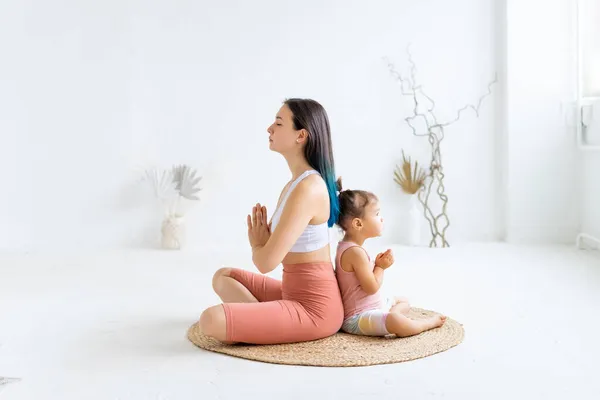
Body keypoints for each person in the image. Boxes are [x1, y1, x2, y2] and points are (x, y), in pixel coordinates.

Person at [198, 98, 344, 344]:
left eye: (278, 123)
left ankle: (266, 325)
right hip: (291, 293)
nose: (269, 129)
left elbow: (266, 262)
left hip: (315, 311)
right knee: (223, 277)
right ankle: (268, 324)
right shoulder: (297, 183)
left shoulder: (308, 188)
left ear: (301, 136)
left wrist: (257, 244)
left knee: (210, 320)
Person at [334, 180, 446, 337]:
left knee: (402, 301)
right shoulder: (354, 252)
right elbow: (371, 287)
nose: (381, 219)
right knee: (395, 320)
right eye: (377, 214)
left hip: (373, 308)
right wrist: (380, 267)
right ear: (358, 224)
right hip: (358, 318)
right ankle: (425, 324)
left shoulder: (350, 247)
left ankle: (392, 315)